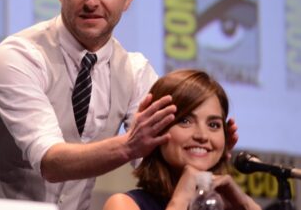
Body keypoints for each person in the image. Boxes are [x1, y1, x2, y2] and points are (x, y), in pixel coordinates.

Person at [0, 0, 237, 210]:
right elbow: (49, 162)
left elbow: (160, 162)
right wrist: (129, 145)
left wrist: (210, 151)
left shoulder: (135, 72)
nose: (92, 1)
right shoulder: (18, 56)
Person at [103, 69, 260, 210]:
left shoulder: (227, 206)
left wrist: (246, 204)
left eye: (213, 125)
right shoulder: (122, 205)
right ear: (155, 129)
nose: (202, 136)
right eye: (185, 121)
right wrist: (180, 200)